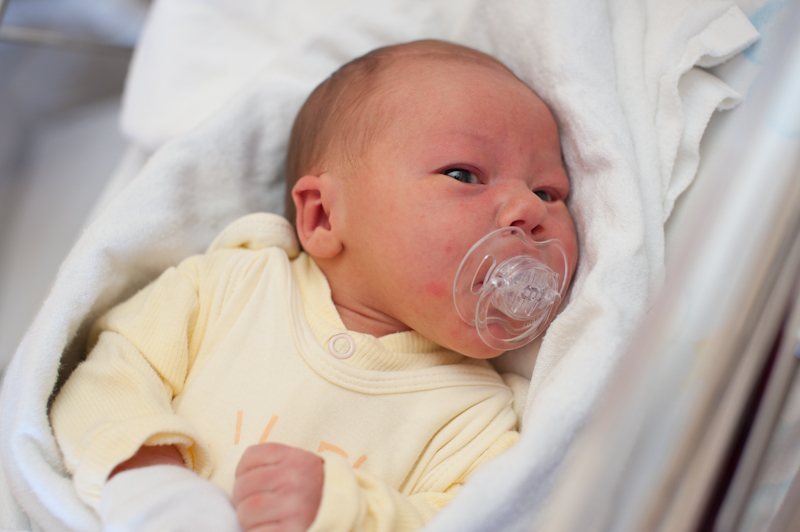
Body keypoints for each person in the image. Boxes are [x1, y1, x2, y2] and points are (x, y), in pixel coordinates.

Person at [50, 39, 578, 532]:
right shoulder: (230, 285)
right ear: (323, 216)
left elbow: (471, 518)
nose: (528, 210)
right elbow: (109, 374)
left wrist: (348, 511)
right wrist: (152, 481)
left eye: (549, 192)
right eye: (464, 175)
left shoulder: (476, 419)